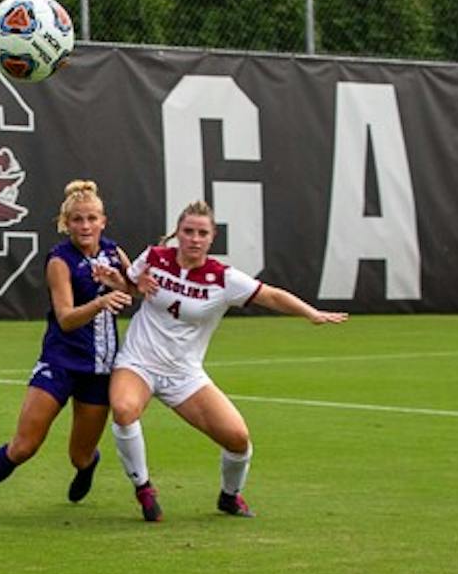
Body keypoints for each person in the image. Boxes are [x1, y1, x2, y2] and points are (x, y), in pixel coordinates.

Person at [100, 199, 347, 522]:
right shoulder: (154, 257)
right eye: (188, 231)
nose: (194, 238)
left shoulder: (223, 278)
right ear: (177, 233)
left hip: (184, 374)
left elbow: (270, 295)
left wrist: (311, 313)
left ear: (212, 237)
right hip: (139, 362)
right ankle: (144, 489)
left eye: (202, 232)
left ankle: (230, 497)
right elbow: (131, 286)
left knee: (237, 439)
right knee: (123, 409)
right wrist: (118, 280)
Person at [0, 179, 132, 516]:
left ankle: (88, 465)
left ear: (103, 221)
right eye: (77, 219)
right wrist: (101, 302)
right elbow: (67, 318)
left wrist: (125, 283)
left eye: (91, 218)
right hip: (60, 362)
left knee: (80, 455)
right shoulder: (60, 260)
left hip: (99, 369)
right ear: (65, 223)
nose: (85, 226)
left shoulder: (115, 253)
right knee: (24, 445)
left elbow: (137, 291)